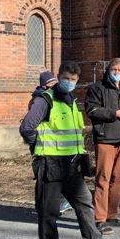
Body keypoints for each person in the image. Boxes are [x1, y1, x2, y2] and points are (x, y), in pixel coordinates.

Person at [20, 61, 117, 239]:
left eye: (73, 80)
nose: (69, 83)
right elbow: (27, 128)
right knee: (49, 212)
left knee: (84, 203)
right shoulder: (45, 100)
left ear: (77, 80)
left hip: (71, 165)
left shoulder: (71, 100)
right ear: (58, 76)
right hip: (50, 164)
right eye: (66, 78)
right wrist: (38, 147)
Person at [85, 58, 120, 234]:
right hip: (105, 139)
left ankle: (112, 214)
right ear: (108, 70)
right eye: (113, 69)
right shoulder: (97, 88)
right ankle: (100, 219)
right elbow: (92, 111)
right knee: (103, 179)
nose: (116, 72)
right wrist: (114, 113)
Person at [29, 71, 73, 215]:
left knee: (55, 177)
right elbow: (28, 127)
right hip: (43, 146)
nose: (55, 85)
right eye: (51, 83)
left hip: (55, 146)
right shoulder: (40, 100)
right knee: (43, 179)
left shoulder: (57, 98)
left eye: (56, 82)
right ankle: (43, 209)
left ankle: (54, 205)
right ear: (44, 85)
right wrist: (34, 142)